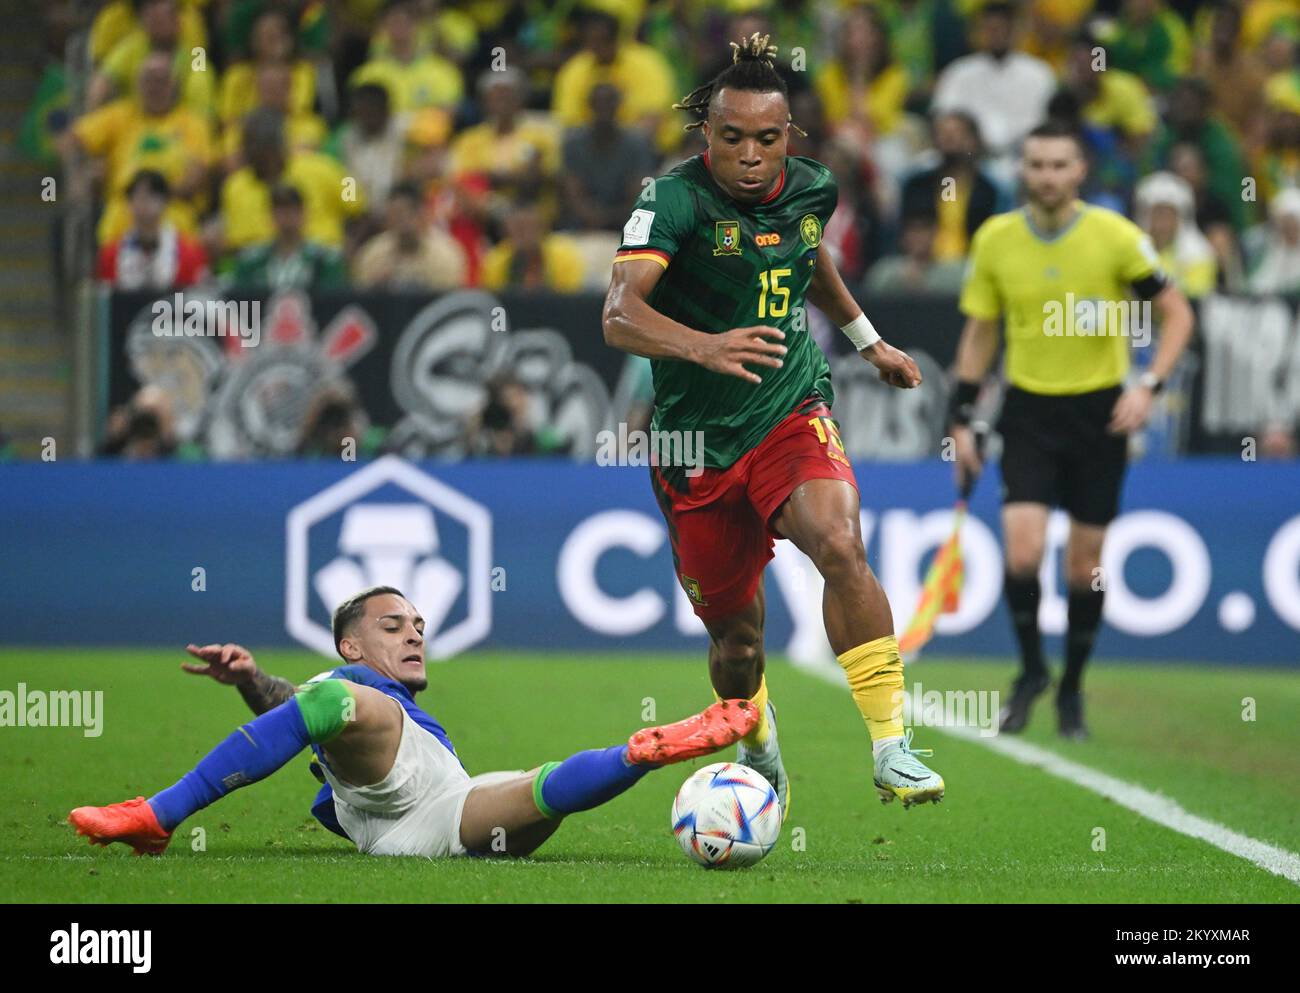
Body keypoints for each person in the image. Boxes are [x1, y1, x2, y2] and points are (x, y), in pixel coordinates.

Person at [601, 33, 943, 816]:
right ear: (707, 136)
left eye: (767, 138)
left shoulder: (813, 188)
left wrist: (869, 341)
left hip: (789, 407)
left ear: (788, 136)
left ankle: (892, 744)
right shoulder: (672, 200)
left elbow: (810, 259)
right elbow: (619, 314)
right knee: (737, 642)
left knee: (839, 542)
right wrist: (704, 345)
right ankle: (757, 739)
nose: (750, 156)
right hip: (694, 443)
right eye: (731, 139)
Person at [69, 587, 757, 858]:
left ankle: (645, 750)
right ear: (351, 644)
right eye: (393, 625)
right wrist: (253, 680)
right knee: (533, 789)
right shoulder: (344, 687)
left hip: (429, 794)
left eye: (419, 626)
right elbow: (306, 709)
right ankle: (634, 755)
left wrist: (257, 682)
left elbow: (311, 709)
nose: (414, 634)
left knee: (538, 787)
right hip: (396, 821)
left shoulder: (363, 698)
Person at [949, 121, 1194, 740]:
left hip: (1099, 413)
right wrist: (962, 419)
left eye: (1060, 165)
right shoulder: (997, 240)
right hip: (1028, 411)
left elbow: (1176, 314)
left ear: (1079, 170)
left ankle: (1073, 687)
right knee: (1023, 552)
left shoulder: (1114, 237)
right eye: (1036, 165)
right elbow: (980, 333)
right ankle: (1031, 671)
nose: (1048, 177)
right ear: (1021, 171)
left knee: (1084, 570)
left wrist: (1148, 386)